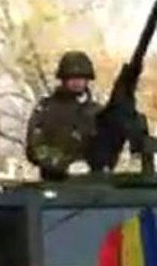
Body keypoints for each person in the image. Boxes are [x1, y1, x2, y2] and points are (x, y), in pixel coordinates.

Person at [25, 50, 103, 181]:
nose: (77, 82)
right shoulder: (46, 109)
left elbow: (107, 148)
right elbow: (35, 147)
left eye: (81, 78)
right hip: (54, 182)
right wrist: (64, 164)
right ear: (63, 79)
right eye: (72, 78)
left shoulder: (98, 112)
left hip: (91, 183)